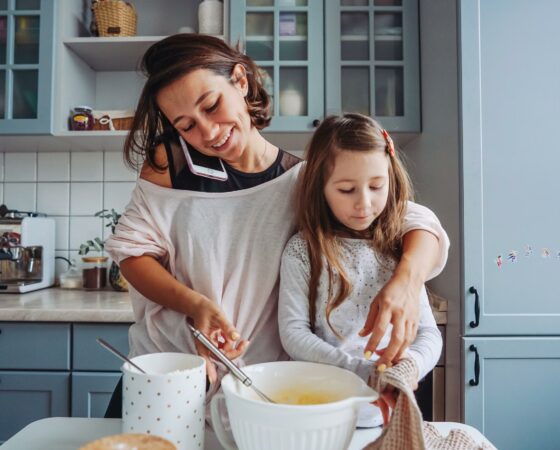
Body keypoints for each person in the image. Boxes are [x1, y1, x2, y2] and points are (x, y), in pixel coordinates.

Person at [103, 34, 449, 417]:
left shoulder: (301, 181)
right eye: (186, 125)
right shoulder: (168, 164)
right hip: (166, 374)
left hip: (258, 385)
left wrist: (407, 280)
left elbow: (415, 221)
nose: (208, 132)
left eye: (212, 105)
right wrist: (195, 305)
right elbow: (132, 254)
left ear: (240, 80)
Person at [278, 113, 442, 428]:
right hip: (322, 417)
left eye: (376, 186)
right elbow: (294, 333)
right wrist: (360, 371)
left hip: (392, 418)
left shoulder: (400, 249)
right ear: (320, 188)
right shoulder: (303, 251)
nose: (364, 203)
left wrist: (408, 368)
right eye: (346, 190)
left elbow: (428, 333)